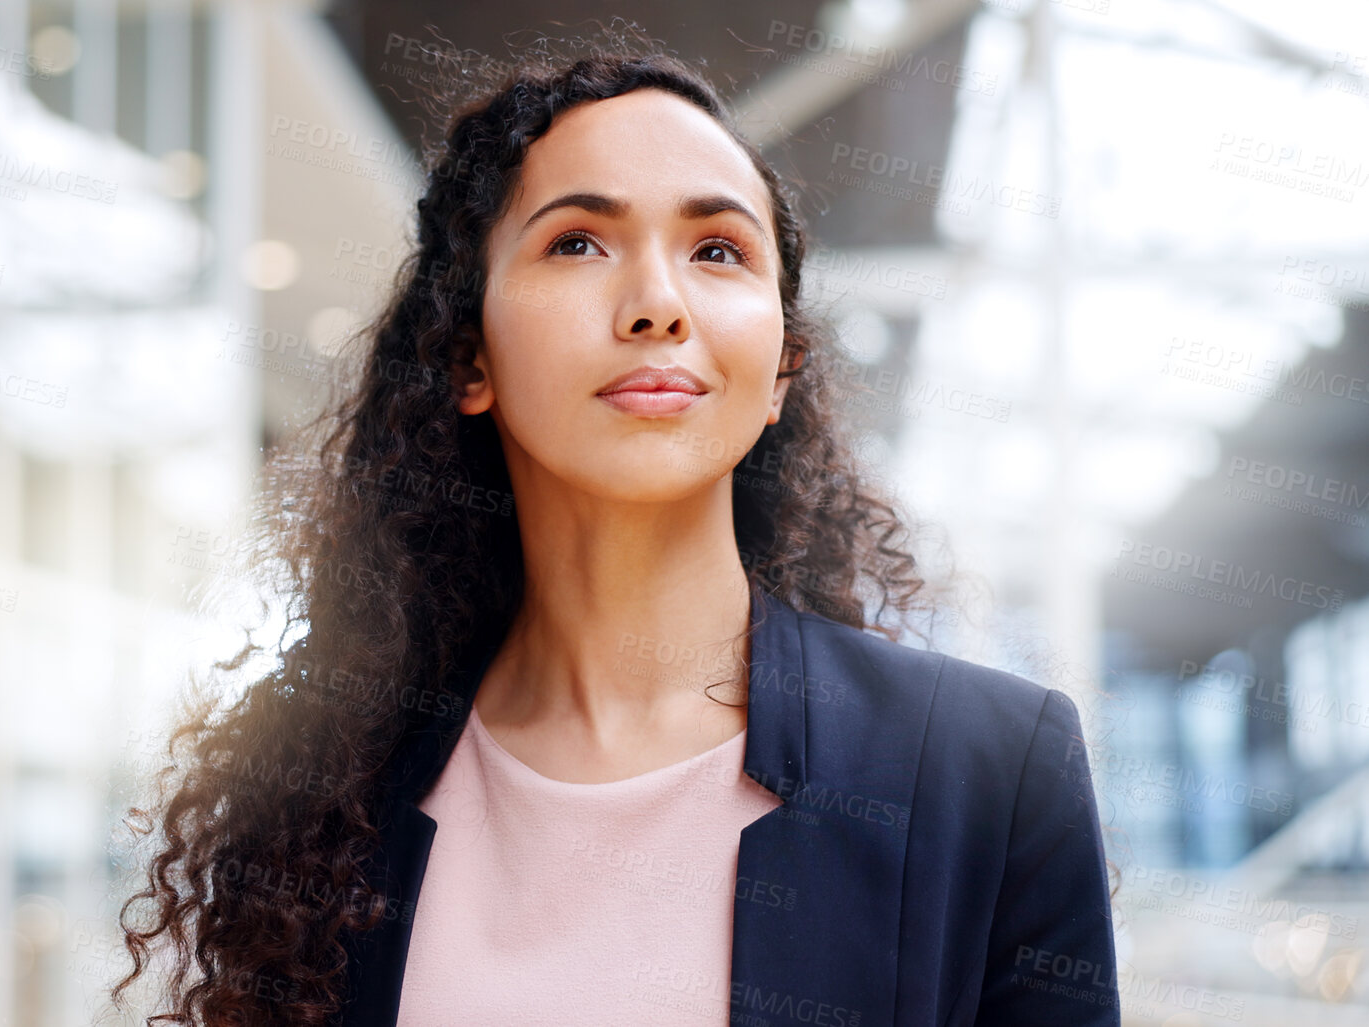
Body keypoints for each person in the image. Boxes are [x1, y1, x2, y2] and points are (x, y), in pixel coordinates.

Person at [111, 32, 1120, 1027]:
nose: (656, 304)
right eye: (578, 241)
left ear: (779, 374)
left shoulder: (989, 768)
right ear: (469, 359)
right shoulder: (333, 782)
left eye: (718, 249)